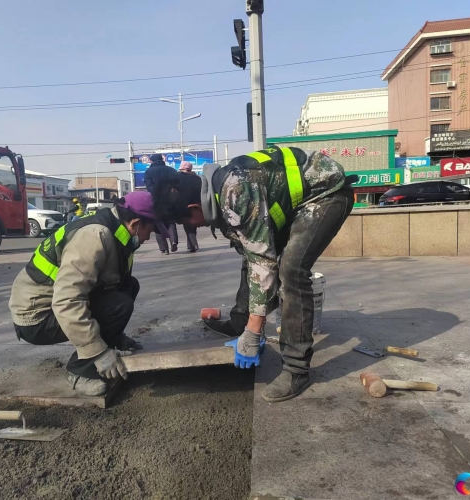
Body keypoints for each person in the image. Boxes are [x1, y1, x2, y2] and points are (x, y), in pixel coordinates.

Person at [147, 146, 355, 402]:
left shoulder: (235, 191)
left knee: (291, 272)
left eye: (186, 222)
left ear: (193, 206)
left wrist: (254, 332)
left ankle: (296, 368)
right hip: (296, 202)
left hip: (326, 194)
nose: (192, 226)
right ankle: (239, 321)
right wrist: (247, 323)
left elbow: (263, 262)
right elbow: (254, 252)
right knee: (252, 256)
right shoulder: (216, 192)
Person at [9, 191, 166, 396]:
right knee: (119, 304)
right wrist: (98, 351)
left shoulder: (119, 235)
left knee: (129, 287)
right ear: (135, 224)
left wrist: (116, 336)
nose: (147, 238)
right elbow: (67, 301)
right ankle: (80, 370)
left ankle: (105, 344)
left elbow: (115, 285)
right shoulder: (95, 237)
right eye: (150, 231)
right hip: (36, 317)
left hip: (55, 306)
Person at [144, 154, 179, 254]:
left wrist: (157, 193)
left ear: (152, 161)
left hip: (156, 200)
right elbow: (177, 184)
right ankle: (174, 241)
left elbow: (149, 186)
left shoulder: (148, 172)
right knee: (171, 222)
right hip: (170, 199)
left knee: (158, 223)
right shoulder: (171, 170)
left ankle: (164, 248)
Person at [179, 162, 199, 253]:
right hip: (196, 204)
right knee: (193, 224)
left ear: (184, 169)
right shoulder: (197, 178)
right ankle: (191, 245)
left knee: (187, 225)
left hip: (183, 204)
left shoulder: (179, 178)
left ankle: (193, 244)